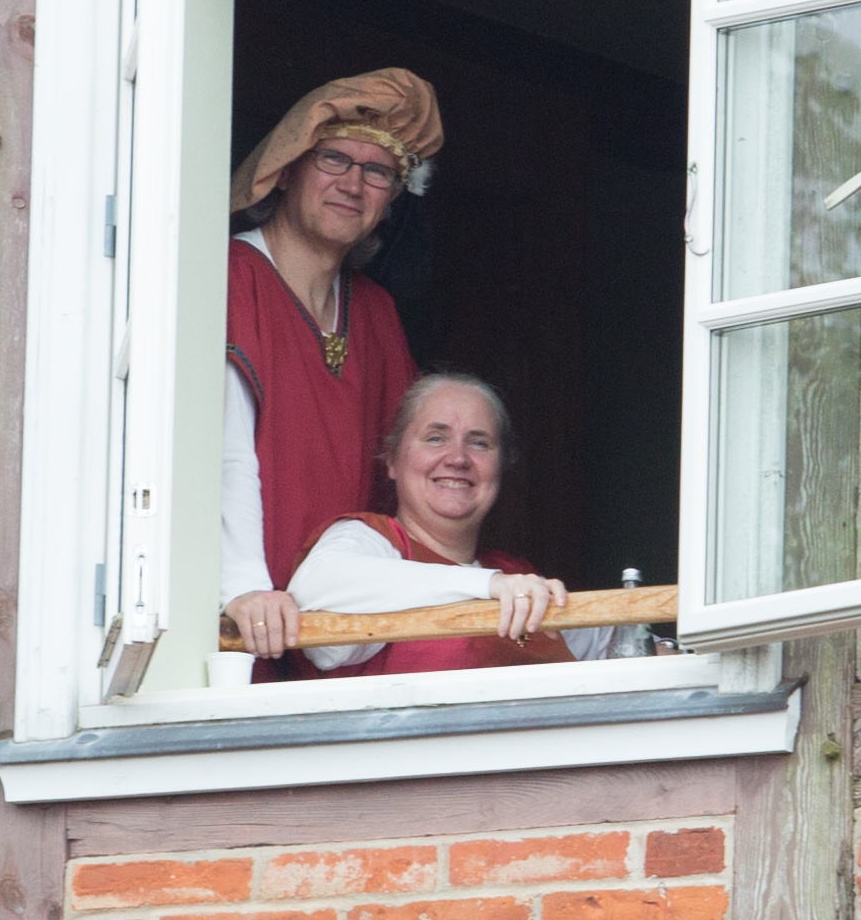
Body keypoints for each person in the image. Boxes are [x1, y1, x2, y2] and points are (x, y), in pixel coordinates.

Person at [219, 68, 438, 666]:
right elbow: (226, 450)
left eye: (379, 171)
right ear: (287, 169)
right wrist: (243, 587)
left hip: (339, 624)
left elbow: (407, 478)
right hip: (246, 616)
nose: (353, 183)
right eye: (334, 158)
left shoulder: (376, 311)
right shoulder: (232, 274)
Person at [287, 373, 647, 675]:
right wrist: (488, 586)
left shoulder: (516, 574)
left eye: (479, 443)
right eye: (436, 438)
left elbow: (616, 648)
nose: (458, 458)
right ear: (393, 460)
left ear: (502, 466)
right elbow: (312, 587)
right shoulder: (371, 541)